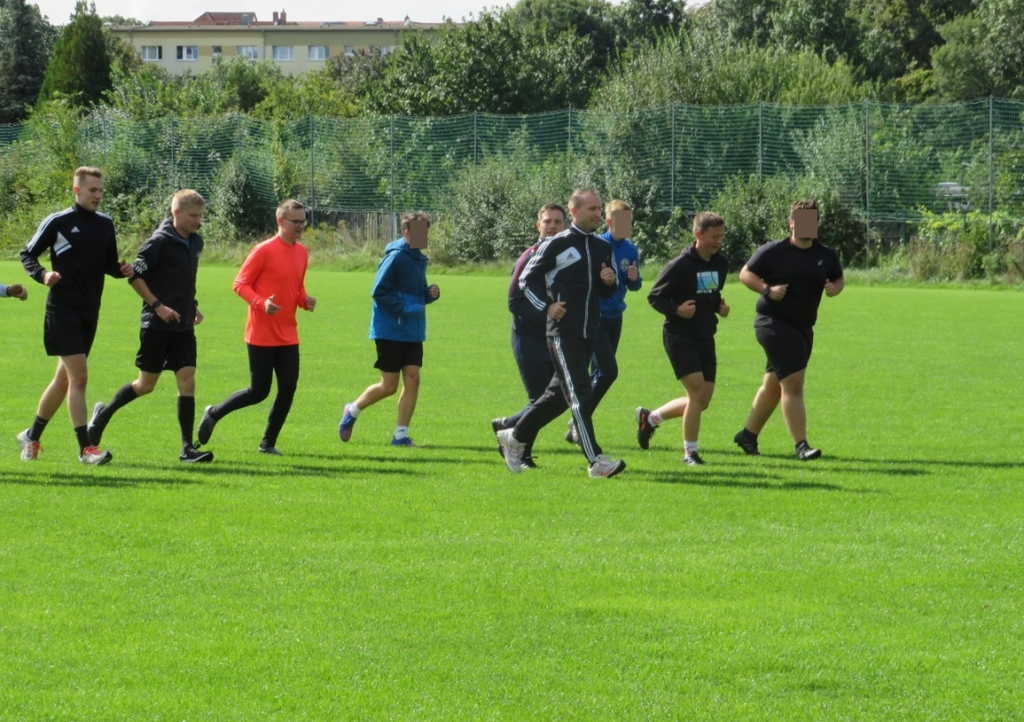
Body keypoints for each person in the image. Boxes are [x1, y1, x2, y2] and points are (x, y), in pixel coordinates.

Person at [496, 188, 626, 479]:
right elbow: (527, 281)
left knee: (556, 396)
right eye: (592, 209)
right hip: (562, 333)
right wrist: (548, 307)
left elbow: (607, 291)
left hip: (588, 332)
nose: (597, 213)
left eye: (599, 208)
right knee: (580, 393)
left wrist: (610, 281)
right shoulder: (557, 244)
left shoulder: (603, 248)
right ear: (576, 212)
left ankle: (514, 435)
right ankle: (596, 461)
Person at [17, 166, 134, 465]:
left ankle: (31, 435)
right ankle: (87, 449)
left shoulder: (106, 224)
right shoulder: (58, 222)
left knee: (64, 380)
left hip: (89, 311)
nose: (98, 196)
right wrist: (43, 274)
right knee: (79, 377)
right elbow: (27, 254)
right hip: (62, 310)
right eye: (93, 190)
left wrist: (121, 270)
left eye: (101, 191)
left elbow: (108, 264)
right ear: (77, 190)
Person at [87, 189, 213, 463]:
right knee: (146, 385)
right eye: (193, 216)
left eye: (201, 216)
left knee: (187, 379)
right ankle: (102, 415)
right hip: (156, 325)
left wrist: (193, 305)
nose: (198, 221)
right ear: (176, 213)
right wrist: (158, 306)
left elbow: (182, 279)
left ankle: (187, 448)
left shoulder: (196, 241)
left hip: (183, 326)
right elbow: (136, 278)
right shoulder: (158, 242)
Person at [197, 199, 316, 455]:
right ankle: (214, 413)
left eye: (303, 221)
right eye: (296, 221)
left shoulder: (302, 253)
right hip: (261, 333)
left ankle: (268, 443)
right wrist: (262, 303)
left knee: (288, 387)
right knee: (259, 391)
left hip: (288, 333)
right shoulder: (263, 250)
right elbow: (240, 284)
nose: (301, 226)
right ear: (281, 221)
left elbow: (296, 286)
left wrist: (304, 300)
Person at [733, 199, 844, 460]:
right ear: (792, 222)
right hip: (773, 323)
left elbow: (838, 278)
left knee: (774, 384)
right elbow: (745, 273)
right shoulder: (774, 250)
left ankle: (747, 435)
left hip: (803, 327)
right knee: (793, 384)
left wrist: (834, 288)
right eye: (803, 220)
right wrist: (766, 289)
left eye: (813, 220)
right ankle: (801, 445)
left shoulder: (825, 254)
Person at [635, 212, 730, 466]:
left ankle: (651, 418)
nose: (718, 241)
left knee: (703, 401)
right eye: (713, 237)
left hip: (705, 336)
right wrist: (677, 310)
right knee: (697, 394)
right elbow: (655, 296)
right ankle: (690, 454)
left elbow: (709, 292)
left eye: (721, 236)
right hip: (679, 336)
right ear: (698, 235)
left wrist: (719, 305)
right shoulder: (680, 265)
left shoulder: (721, 263)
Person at [338, 212, 440, 447]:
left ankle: (401, 436)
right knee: (389, 386)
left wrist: (429, 294)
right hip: (390, 330)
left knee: (413, 379)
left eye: (426, 231)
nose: (425, 236)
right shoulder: (395, 257)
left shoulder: (418, 259)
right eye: (420, 232)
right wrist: (409, 308)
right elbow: (379, 292)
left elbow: (415, 295)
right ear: (407, 234)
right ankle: (352, 410)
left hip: (412, 330)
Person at [489, 203, 567, 467]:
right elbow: (515, 302)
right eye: (548, 221)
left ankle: (508, 425)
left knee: (559, 398)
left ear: (566, 225)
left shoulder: (569, 257)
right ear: (538, 226)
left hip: (556, 339)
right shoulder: (529, 257)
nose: (553, 226)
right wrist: (548, 313)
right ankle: (522, 453)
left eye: (558, 221)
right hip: (528, 337)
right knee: (540, 399)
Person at [566, 199, 642, 444]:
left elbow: (635, 286)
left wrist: (634, 278)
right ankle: (578, 421)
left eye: (629, 222)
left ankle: (578, 425)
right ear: (609, 222)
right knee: (608, 372)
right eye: (621, 222)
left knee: (598, 374)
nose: (626, 226)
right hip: (595, 318)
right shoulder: (598, 245)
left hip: (616, 317)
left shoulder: (631, 249)